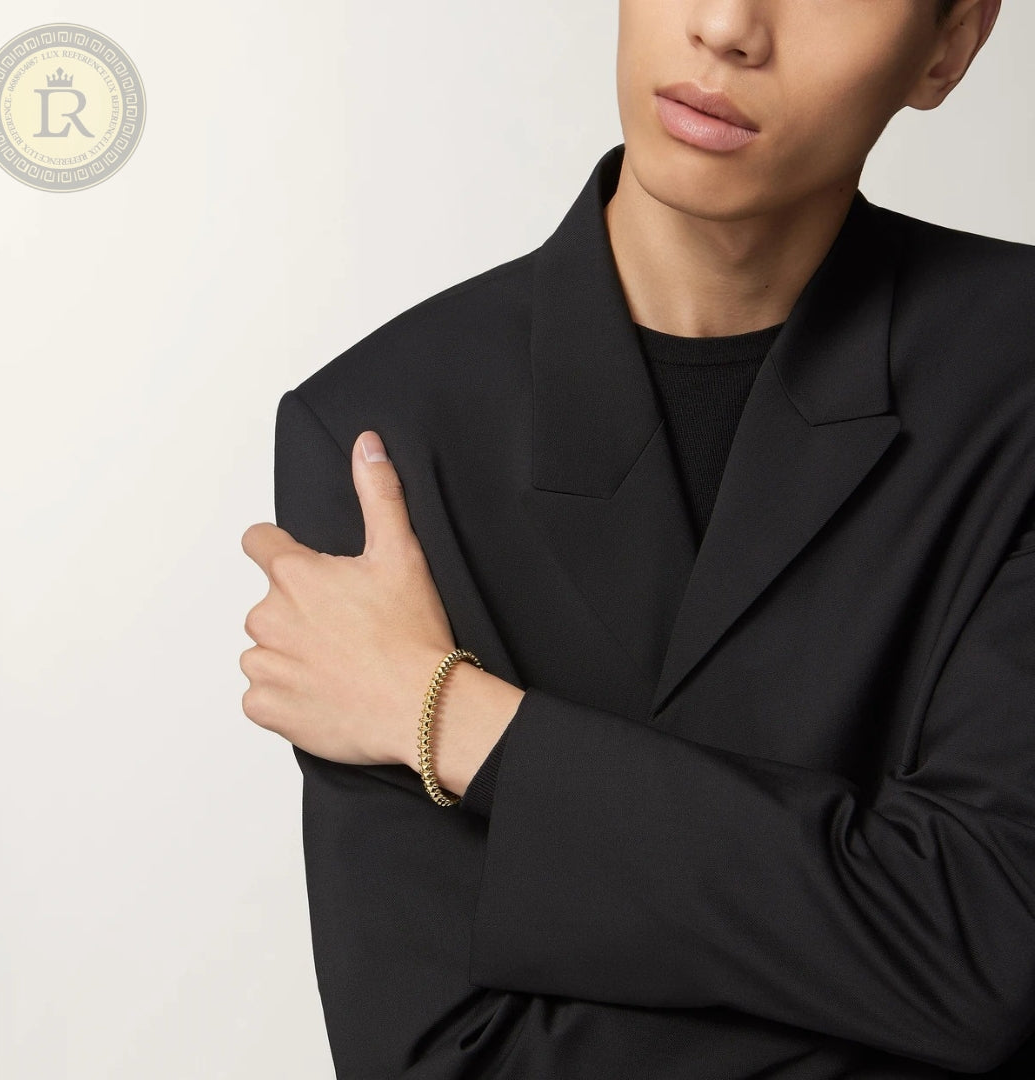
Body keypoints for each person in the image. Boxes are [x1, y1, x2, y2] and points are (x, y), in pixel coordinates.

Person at [241, 1, 1035, 1076]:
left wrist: (458, 721)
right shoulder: (381, 433)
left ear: (947, 46)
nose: (728, 26)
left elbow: (988, 948)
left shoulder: (1014, 370)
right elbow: (435, 1056)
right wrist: (882, 967)